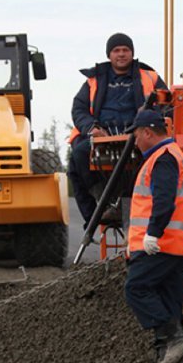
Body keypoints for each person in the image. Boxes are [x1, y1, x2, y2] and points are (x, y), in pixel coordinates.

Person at [122, 110, 183, 363]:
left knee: (136, 289)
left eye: (136, 135)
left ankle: (176, 340)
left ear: (147, 133)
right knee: (167, 299)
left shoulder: (163, 159)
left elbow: (164, 200)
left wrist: (152, 234)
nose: (134, 140)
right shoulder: (169, 155)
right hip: (174, 245)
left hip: (160, 245)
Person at [68, 32, 167, 228]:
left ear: (132, 53)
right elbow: (78, 108)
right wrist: (92, 128)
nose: (121, 54)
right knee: (78, 156)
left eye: (125, 50)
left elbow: (166, 105)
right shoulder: (93, 79)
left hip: (139, 135)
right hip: (102, 135)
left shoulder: (150, 77)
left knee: (152, 160)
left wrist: (146, 120)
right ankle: (98, 211)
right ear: (109, 55)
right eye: (116, 50)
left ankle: (128, 204)